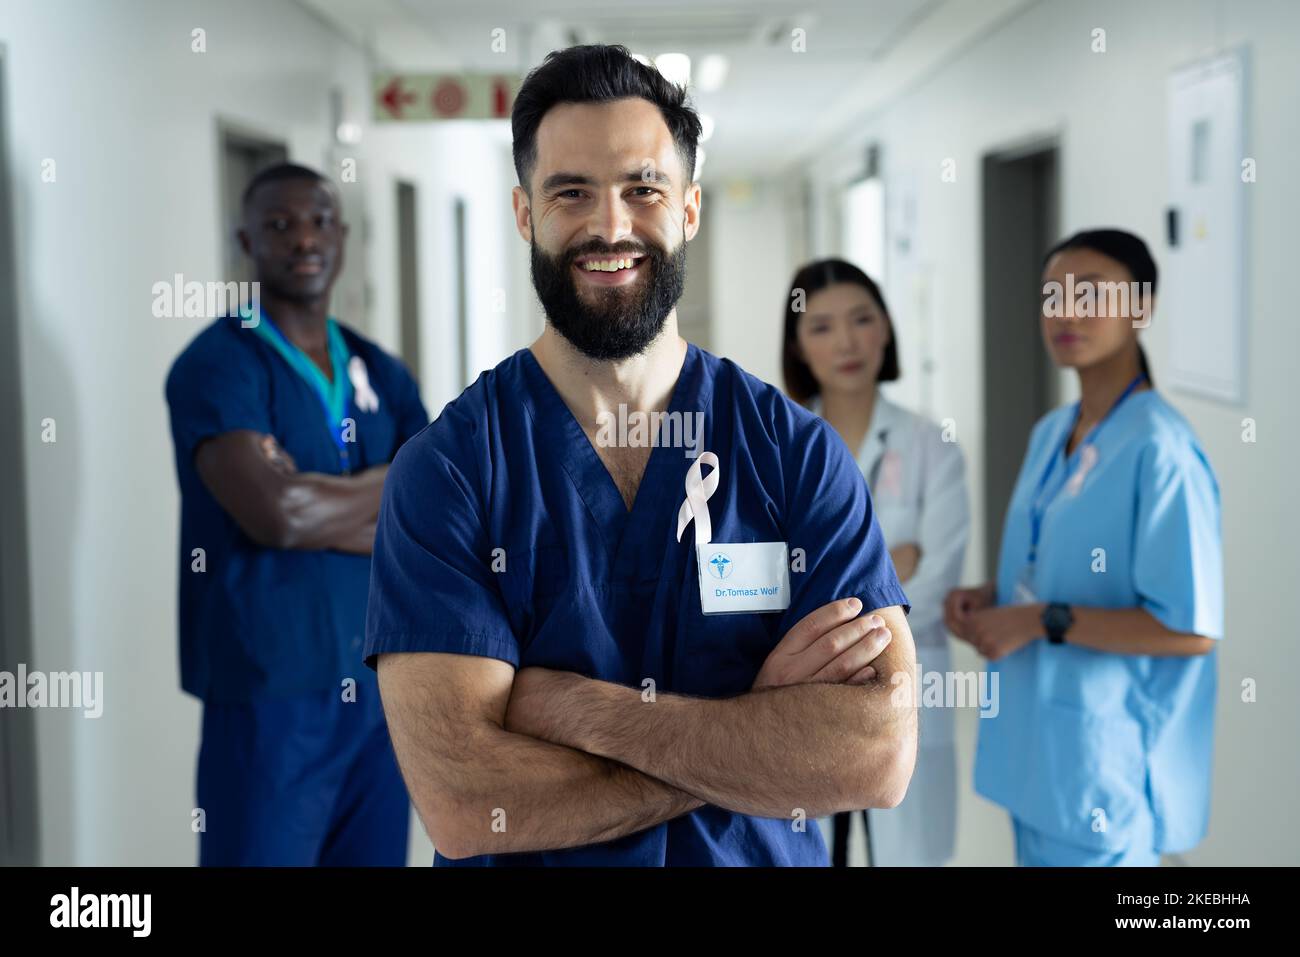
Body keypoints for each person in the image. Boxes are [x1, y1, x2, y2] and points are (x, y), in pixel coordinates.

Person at [365, 44, 919, 866]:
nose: (611, 225)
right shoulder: (451, 471)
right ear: (525, 214)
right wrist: (754, 725)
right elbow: (466, 801)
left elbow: (873, 754)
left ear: (690, 208)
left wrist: (583, 712)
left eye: (643, 189)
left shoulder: (794, 454)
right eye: (572, 192)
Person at [164, 163, 428, 865]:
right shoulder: (220, 365)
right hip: (270, 698)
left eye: (318, 220)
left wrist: (322, 500)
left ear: (342, 235)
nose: (303, 238)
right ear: (245, 239)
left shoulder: (382, 370)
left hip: (378, 697)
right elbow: (275, 515)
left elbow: (433, 513)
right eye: (279, 225)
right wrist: (389, 490)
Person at [944, 228, 1223, 867]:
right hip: (1042, 761)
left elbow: (1191, 629)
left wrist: (1040, 621)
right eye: (1052, 296)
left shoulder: (1162, 450)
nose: (1067, 312)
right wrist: (991, 600)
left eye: (1092, 294)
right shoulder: (1052, 433)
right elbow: (1056, 569)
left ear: (1143, 310)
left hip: (1108, 766)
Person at [784, 259, 968, 867]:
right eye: (822, 327)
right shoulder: (777, 443)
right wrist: (889, 565)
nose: (846, 342)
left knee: (912, 856)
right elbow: (767, 578)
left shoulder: (931, 446)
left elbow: (937, 581)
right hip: (803, 701)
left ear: (886, 329)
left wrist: (826, 577)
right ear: (798, 344)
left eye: (862, 320)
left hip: (909, 689)